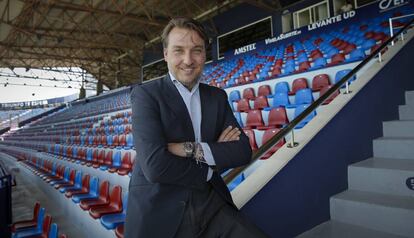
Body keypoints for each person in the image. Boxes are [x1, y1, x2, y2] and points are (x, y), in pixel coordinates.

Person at [125, 17, 269, 238]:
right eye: (178, 51)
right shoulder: (146, 95)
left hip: (211, 205)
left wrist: (189, 149)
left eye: (197, 50)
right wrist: (210, 166)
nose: (188, 60)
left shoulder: (217, 97)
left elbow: (241, 151)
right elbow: (155, 166)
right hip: (160, 209)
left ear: (205, 54)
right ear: (165, 54)